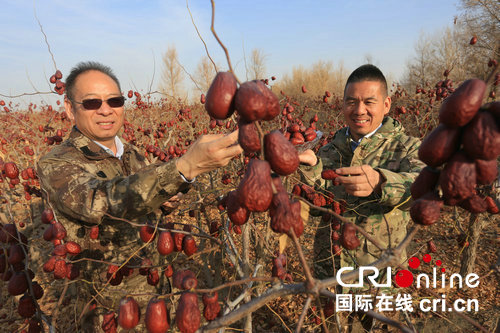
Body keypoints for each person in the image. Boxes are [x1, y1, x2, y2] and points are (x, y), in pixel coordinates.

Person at [36, 61, 242, 331]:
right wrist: (182, 167)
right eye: (91, 103)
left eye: (114, 100)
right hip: (110, 309)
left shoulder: (132, 153)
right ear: (69, 109)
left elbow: (148, 203)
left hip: (157, 290)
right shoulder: (56, 163)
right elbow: (98, 203)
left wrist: (171, 193)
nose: (106, 110)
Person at [299, 63, 425, 279]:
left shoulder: (407, 148)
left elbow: (425, 189)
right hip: (329, 271)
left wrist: (382, 182)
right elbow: (319, 207)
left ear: (386, 105)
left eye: (369, 102)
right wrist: (312, 168)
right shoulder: (330, 149)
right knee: (328, 313)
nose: (359, 111)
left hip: (381, 275)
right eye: (351, 102)